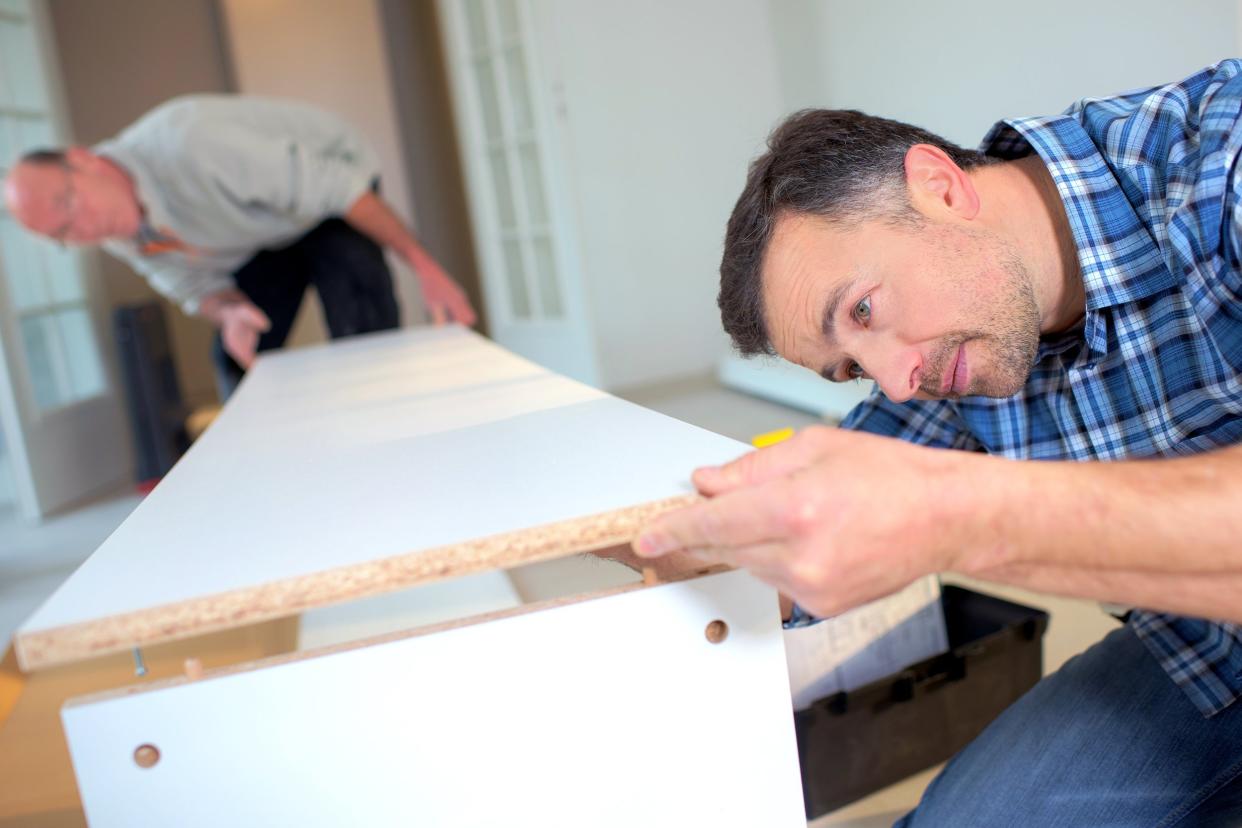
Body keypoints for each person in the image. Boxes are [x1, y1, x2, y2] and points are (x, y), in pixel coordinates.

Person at [633, 62, 1242, 824]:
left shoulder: (1220, 160)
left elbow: (934, 507)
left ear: (942, 188)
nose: (894, 382)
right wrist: (668, 536)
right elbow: (809, 518)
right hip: (1212, 650)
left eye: (861, 309)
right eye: (852, 367)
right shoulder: (954, 353)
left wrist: (959, 519)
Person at [2, 95, 477, 399]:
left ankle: (391, 446)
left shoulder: (192, 144)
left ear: (84, 161)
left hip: (331, 194)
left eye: (70, 204)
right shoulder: (111, 231)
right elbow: (191, 282)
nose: (81, 229)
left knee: (359, 319)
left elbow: (342, 191)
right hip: (257, 233)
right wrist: (228, 312)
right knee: (235, 358)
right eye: (63, 234)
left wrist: (426, 269)